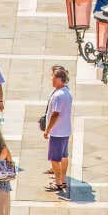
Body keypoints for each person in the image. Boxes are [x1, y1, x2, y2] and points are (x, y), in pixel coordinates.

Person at [43, 66, 73, 197]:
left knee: (54, 159)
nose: (52, 79)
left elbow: (55, 114)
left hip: (57, 132)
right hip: (65, 130)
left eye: (54, 77)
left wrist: (47, 130)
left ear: (60, 79)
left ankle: (58, 182)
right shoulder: (67, 92)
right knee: (64, 156)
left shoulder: (59, 95)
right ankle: (63, 180)